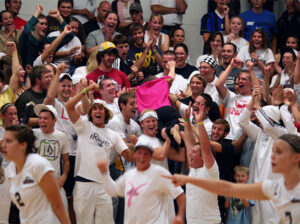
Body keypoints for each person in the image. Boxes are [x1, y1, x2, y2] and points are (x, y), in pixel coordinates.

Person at [164, 133, 300, 224]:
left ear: (296, 157)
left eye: (279, 152)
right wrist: (188, 180)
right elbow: (228, 188)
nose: (272, 156)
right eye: (273, 151)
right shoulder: (274, 187)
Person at [65, 82, 134, 224]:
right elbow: (69, 106)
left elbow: (129, 156)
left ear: (106, 113)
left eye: (101, 109)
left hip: (104, 186)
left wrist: (134, 145)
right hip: (84, 184)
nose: (97, 111)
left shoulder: (113, 135)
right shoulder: (84, 126)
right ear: (91, 113)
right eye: (94, 108)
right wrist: (85, 91)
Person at [97, 141, 186, 224]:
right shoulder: (129, 175)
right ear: (134, 155)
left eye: (146, 154)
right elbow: (113, 191)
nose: (142, 157)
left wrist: (180, 216)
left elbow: (180, 194)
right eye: (139, 153)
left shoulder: (160, 173)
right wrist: (104, 174)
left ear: (151, 157)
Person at [2, 124, 70, 223]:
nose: (3, 145)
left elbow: (58, 205)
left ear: (23, 145)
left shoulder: (38, 165)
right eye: (3, 140)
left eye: (9, 141)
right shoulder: (9, 170)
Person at [180, 100, 221, 223]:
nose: (190, 154)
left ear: (203, 156)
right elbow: (188, 142)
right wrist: (187, 120)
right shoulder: (193, 169)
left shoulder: (210, 171)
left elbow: (206, 147)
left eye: (195, 152)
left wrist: (199, 122)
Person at [33, 104, 70, 210]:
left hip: (56, 184)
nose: (42, 121)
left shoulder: (62, 136)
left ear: (54, 121)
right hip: (36, 185)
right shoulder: (32, 134)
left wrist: (63, 177)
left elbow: (66, 161)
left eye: (46, 118)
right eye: (40, 118)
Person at [215, 58, 253, 140]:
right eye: (239, 79)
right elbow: (218, 85)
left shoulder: (254, 100)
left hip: (243, 140)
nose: (240, 81)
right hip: (227, 138)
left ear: (251, 83)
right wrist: (231, 66)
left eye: (244, 79)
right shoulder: (231, 97)